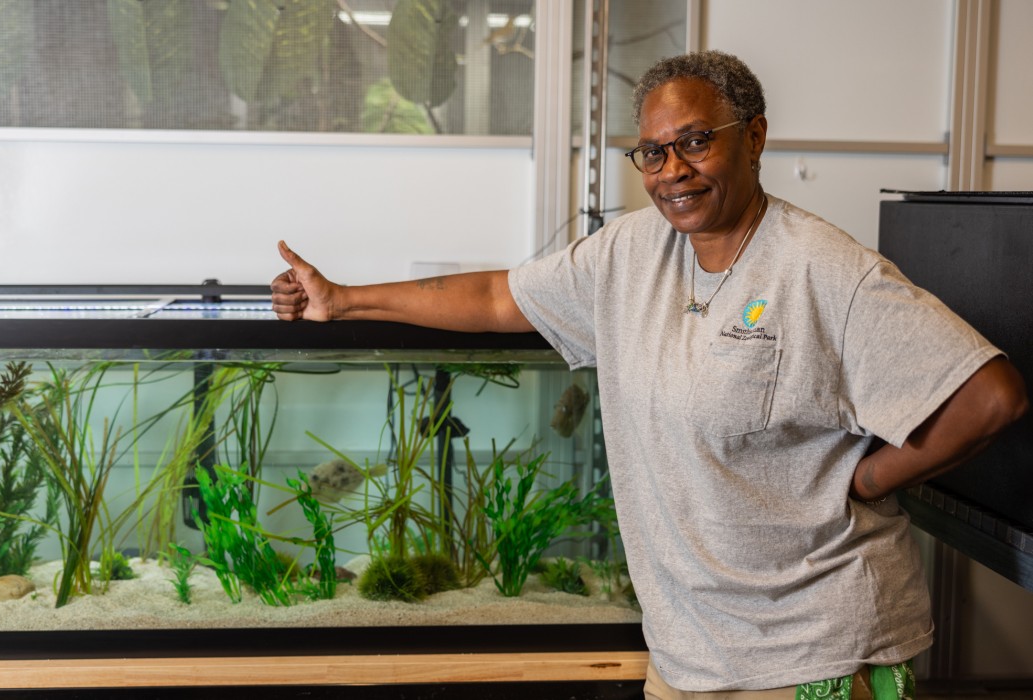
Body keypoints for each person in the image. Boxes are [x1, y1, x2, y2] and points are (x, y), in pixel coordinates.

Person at [271, 50, 1028, 698]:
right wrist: (343, 300)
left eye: (695, 142)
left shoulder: (826, 272)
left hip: (814, 655)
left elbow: (989, 395)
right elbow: (502, 295)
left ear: (754, 137)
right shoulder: (630, 252)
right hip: (688, 657)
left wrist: (865, 481)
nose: (672, 171)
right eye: (652, 153)